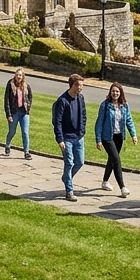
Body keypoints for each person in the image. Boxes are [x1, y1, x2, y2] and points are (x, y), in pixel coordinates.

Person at [95, 82, 137, 197]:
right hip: (107, 137)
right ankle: (122, 187)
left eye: (117, 91)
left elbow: (129, 120)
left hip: (119, 137)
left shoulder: (124, 105)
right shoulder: (105, 105)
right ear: (110, 92)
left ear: (120, 93)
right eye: (113, 91)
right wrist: (98, 139)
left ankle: (105, 182)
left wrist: (133, 134)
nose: (115, 93)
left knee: (112, 159)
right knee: (116, 160)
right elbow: (99, 123)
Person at [53, 74, 87, 202]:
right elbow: (58, 121)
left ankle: (66, 178)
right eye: (78, 85)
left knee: (80, 162)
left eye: (82, 85)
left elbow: (83, 115)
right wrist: (60, 139)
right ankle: (69, 190)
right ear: (71, 85)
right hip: (66, 137)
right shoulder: (63, 100)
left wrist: (82, 130)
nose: (80, 88)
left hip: (78, 137)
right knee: (69, 163)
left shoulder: (80, 98)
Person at [4, 68, 33, 160]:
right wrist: (8, 114)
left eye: (20, 75)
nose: (18, 77)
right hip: (14, 112)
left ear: (23, 76)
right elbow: (7, 100)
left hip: (24, 112)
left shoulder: (26, 86)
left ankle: (26, 152)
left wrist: (28, 108)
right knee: (12, 132)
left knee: (25, 132)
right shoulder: (10, 84)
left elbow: (30, 97)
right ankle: (8, 145)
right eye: (17, 75)